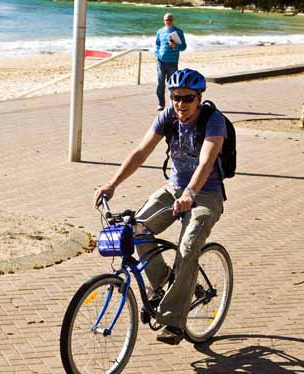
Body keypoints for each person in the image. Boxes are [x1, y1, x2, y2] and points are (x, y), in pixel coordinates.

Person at [94, 68, 226, 345]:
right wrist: (112, 184)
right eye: (176, 97)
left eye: (188, 98)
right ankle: (170, 283)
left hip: (206, 194)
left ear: (199, 97)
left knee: (188, 248)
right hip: (173, 189)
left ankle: (174, 322)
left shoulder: (214, 121)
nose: (181, 104)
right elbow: (141, 152)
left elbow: (206, 161)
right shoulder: (168, 117)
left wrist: (191, 193)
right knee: (136, 230)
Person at [155, 13, 187, 112]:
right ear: (163, 20)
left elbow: (183, 47)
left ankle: (172, 104)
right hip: (161, 62)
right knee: (160, 84)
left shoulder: (178, 32)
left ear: (173, 20)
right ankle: (161, 104)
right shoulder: (160, 31)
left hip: (172, 62)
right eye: (166, 20)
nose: (168, 21)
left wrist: (175, 46)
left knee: (172, 84)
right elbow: (157, 44)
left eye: (170, 20)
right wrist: (157, 53)